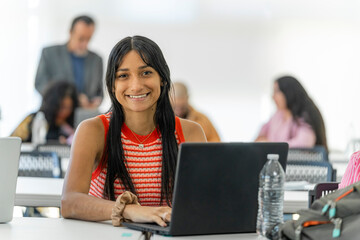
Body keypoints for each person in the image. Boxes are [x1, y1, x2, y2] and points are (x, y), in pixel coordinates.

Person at [61, 36, 206, 226]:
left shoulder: (190, 132)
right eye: (123, 75)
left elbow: (204, 203)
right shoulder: (93, 130)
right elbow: (69, 202)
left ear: (162, 78)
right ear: (112, 85)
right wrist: (130, 210)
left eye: (146, 73)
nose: (136, 85)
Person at [35, 15, 103, 109]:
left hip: (84, 116)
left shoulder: (97, 60)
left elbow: (99, 92)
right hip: (54, 114)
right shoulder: (49, 53)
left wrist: (96, 101)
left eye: (88, 39)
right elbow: (40, 84)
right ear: (71, 32)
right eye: (81, 38)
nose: (84, 44)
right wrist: (69, 99)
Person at [255, 76, 328, 150]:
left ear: (288, 92)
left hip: (302, 160)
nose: (273, 97)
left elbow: (303, 144)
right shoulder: (278, 115)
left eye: (277, 91)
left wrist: (271, 145)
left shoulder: (304, 117)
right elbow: (260, 136)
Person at [11, 81, 78, 145]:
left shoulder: (71, 126)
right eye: (62, 107)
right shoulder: (33, 119)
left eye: (69, 108)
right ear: (52, 104)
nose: (65, 112)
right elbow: (12, 142)